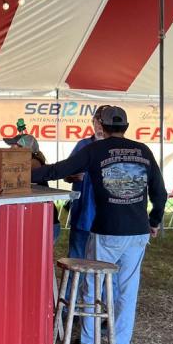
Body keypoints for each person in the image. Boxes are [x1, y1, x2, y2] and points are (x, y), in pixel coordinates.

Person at [30, 106, 167, 344]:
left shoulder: (94, 150)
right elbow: (160, 192)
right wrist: (155, 220)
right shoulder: (144, 151)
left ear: (100, 125)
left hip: (107, 231)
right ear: (125, 126)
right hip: (137, 232)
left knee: (92, 286)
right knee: (128, 290)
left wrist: (17, 172)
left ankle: (89, 341)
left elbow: (56, 171)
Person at [64, 105, 109, 259]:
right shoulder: (82, 146)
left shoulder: (117, 148)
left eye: (104, 123)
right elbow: (66, 174)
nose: (100, 126)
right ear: (93, 122)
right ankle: (73, 284)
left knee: (103, 262)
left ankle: (98, 284)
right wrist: (72, 176)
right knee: (76, 259)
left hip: (108, 218)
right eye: (98, 122)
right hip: (83, 215)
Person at [3, 132, 60, 242]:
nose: (9, 149)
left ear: (25, 149)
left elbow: (13, 174)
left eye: (14, 146)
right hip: (38, 220)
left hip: (45, 222)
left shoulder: (34, 162)